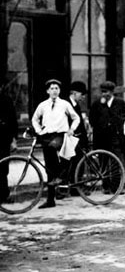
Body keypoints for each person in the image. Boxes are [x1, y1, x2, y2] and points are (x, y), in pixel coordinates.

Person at [31, 79, 80, 208]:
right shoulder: (42, 105)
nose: (54, 91)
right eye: (52, 88)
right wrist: (38, 131)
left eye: (56, 88)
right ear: (47, 91)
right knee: (49, 169)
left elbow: (76, 118)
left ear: (59, 91)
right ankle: (50, 200)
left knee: (55, 150)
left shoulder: (65, 104)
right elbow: (35, 119)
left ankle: (61, 176)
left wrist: (71, 129)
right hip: (47, 135)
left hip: (61, 135)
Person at [89, 81, 125, 168]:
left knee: (116, 161)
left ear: (112, 92)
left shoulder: (120, 103)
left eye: (106, 92)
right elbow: (92, 120)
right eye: (102, 92)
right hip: (102, 138)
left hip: (116, 138)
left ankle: (117, 181)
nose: (103, 94)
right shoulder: (97, 104)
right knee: (103, 162)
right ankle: (105, 181)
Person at [67, 81, 89, 193]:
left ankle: (76, 188)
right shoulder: (66, 105)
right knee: (68, 163)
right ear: (74, 93)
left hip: (77, 139)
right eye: (82, 94)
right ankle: (69, 187)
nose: (83, 97)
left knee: (78, 163)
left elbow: (80, 124)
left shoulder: (76, 105)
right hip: (69, 138)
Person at [0, 80, 18, 203]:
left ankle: (3, 195)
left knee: (3, 168)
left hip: (3, 139)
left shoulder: (6, 100)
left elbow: (13, 121)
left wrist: (14, 139)